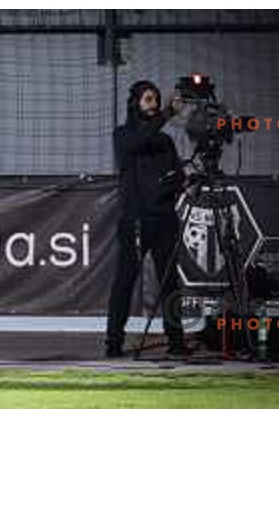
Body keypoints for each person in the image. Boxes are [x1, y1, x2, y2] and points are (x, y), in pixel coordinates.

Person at [105, 80, 188, 359]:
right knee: (125, 281)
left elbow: (177, 174)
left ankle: (176, 342)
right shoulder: (123, 135)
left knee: (170, 283)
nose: (153, 105)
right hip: (135, 221)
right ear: (136, 103)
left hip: (164, 219)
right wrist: (167, 113)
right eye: (148, 99)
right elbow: (138, 141)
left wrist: (175, 183)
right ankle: (113, 341)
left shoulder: (165, 141)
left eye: (156, 100)